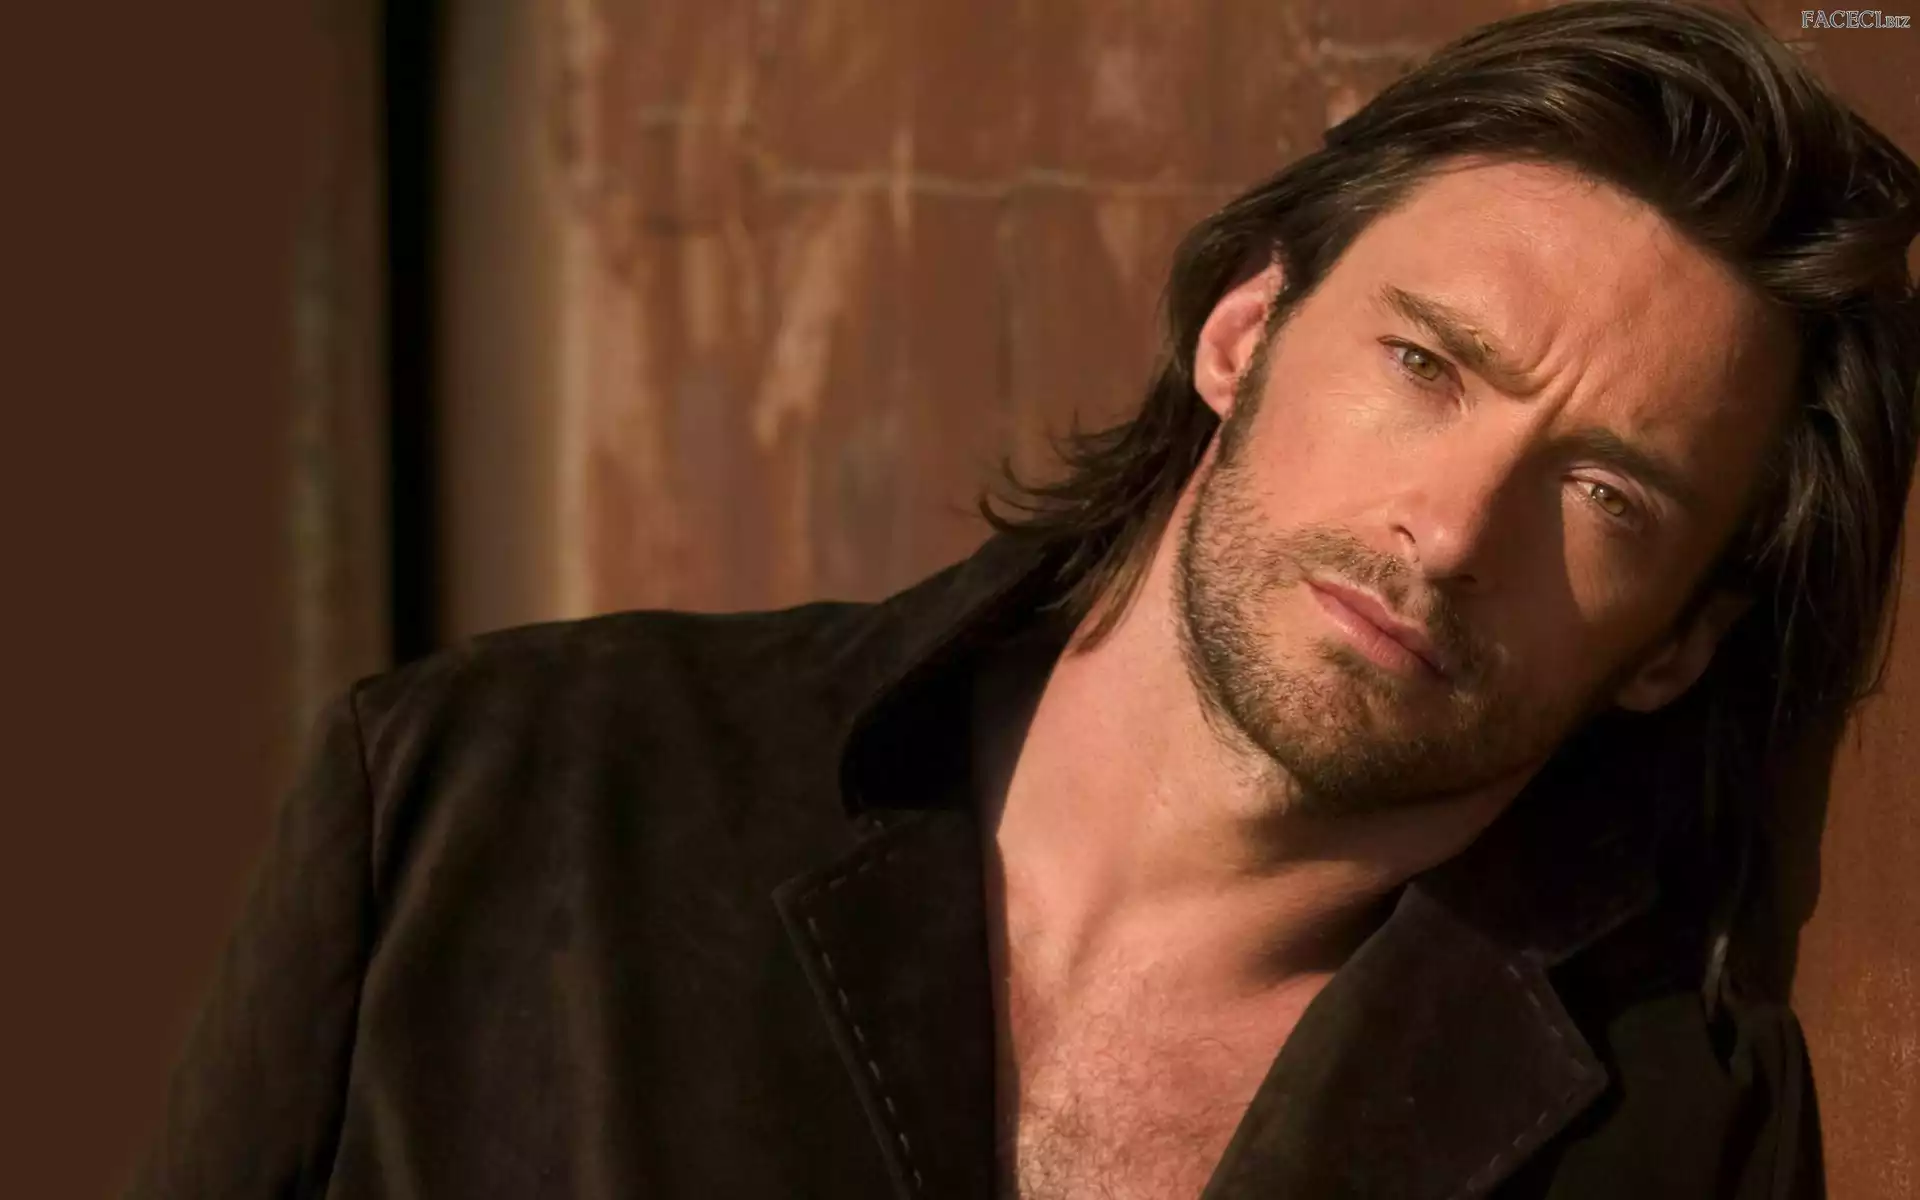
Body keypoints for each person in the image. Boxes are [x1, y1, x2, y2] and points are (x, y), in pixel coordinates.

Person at [128, 3, 1919, 1197]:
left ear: (1676, 642)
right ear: (1245, 333)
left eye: (1606, 495)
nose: (1450, 532)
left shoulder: (1673, 1135)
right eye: (1425, 366)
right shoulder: (486, 792)